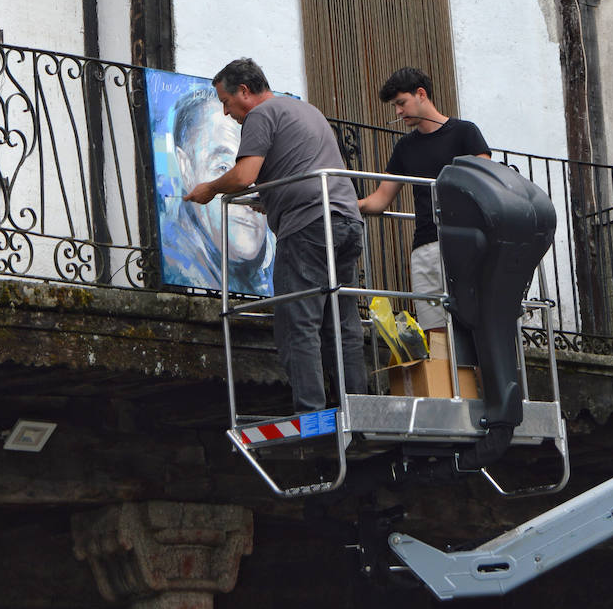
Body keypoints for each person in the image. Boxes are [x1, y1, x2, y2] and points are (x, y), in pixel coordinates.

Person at [184, 58, 368, 413]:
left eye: (225, 101)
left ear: (244, 91)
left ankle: (312, 413)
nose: (226, 112)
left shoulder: (260, 116)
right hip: (345, 220)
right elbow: (303, 169)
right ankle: (356, 405)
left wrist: (209, 188)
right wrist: (271, 201)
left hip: (308, 228)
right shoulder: (306, 110)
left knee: (298, 323)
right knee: (342, 324)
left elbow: (242, 175)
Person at [358, 68, 491, 333]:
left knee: (477, 328)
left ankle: (479, 376)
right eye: (395, 106)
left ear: (421, 94)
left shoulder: (465, 132)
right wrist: (340, 205)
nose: (397, 112)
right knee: (434, 332)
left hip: (465, 241)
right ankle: (444, 377)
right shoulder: (404, 147)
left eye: (401, 103)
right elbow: (380, 200)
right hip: (425, 248)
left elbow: (485, 184)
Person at [160, 86, 274, 295]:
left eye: (258, 170)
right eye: (223, 168)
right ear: (186, 169)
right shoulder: (177, 264)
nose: (249, 194)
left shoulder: (276, 263)